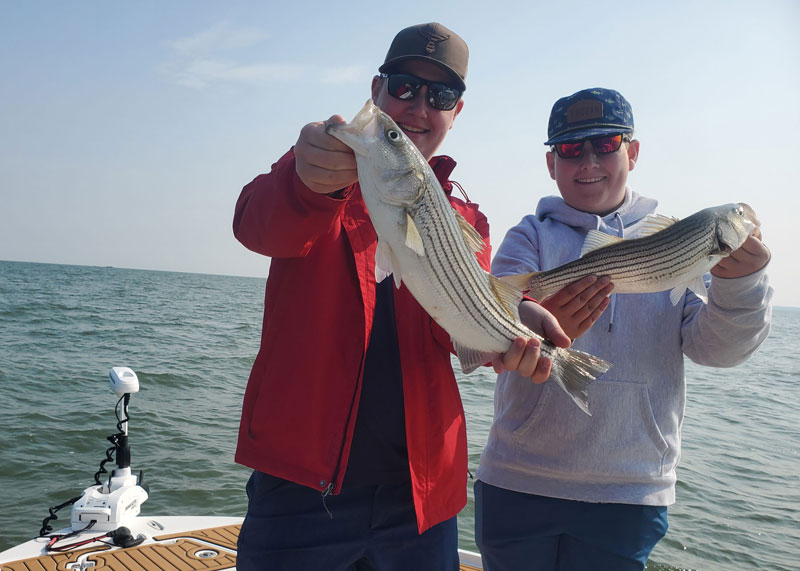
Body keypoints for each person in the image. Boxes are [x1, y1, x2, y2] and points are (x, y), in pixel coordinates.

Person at [231, 23, 581, 570]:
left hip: (421, 498)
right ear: (376, 90)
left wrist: (512, 324)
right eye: (404, 87)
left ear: (457, 112)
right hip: (301, 489)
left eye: (441, 96)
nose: (419, 108)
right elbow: (257, 227)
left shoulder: (465, 219)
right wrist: (303, 182)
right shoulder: (315, 173)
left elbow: (456, 324)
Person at [474, 87, 773, 571]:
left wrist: (739, 286)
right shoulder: (528, 236)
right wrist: (536, 324)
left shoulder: (677, 238)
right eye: (571, 148)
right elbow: (495, 321)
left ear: (631, 152)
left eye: (606, 143)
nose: (588, 159)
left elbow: (717, 350)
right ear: (552, 164)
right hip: (517, 480)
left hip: (630, 491)